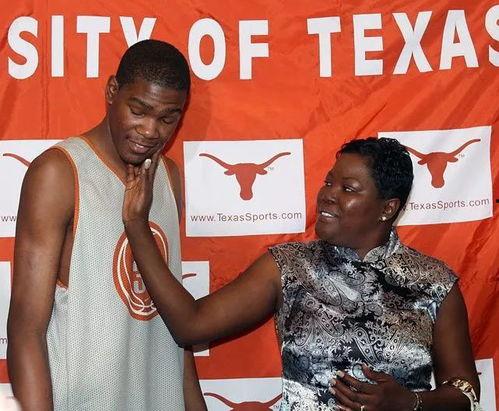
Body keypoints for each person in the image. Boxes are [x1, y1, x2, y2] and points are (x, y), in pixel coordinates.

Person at [122, 137, 480, 411]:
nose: (327, 195)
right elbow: (190, 324)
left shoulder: (433, 283)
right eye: (328, 182)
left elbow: (466, 393)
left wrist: (409, 403)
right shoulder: (290, 266)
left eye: (348, 189)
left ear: (387, 208)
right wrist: (137, 225)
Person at [7, 39, 206, 411]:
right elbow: (25, 329)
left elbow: (175, 324)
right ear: (113, 91)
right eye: (139, 110)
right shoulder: (59, 173)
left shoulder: (169, 178)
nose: (150, 130)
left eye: (167, 118)